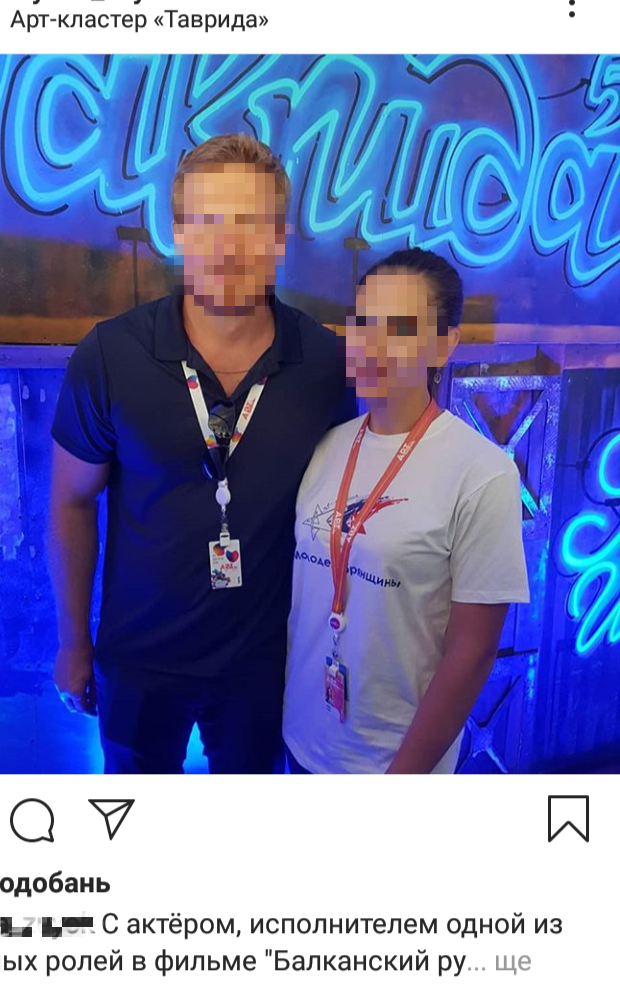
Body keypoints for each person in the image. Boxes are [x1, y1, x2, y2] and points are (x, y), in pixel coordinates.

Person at [49, 133, 356, 774]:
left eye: (250, 223)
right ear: (179, 232)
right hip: (140, 660)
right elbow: (72, 502)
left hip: (265, 665)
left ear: (279, 237)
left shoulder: (327, 365)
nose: (228, 246)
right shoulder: (110, 355)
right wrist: (73, 641)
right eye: (208, 221)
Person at [283, 247, 530, 774]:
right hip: (302, 742)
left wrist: (405, 778)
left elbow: (472, 653)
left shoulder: (481, 472)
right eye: (363, 322)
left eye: (398, 326)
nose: (372, 343)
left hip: (393, 762)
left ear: (444, 343)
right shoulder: (326, 446)